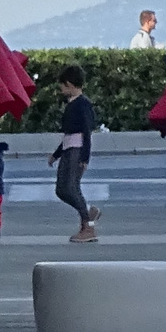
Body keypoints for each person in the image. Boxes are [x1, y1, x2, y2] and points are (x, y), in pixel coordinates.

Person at [48, 65, 100, 242]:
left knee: (70, 188)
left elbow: (86, 131)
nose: (61, 90)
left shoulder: (83, 104)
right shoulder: (71, 104)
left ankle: (87, 225)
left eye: (62, 86)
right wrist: (56, 154)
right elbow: (67, 133)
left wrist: (85, 157)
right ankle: (88, 214)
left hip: (77, 149)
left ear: (69, 84)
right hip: (69, 147)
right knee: (62, 189)